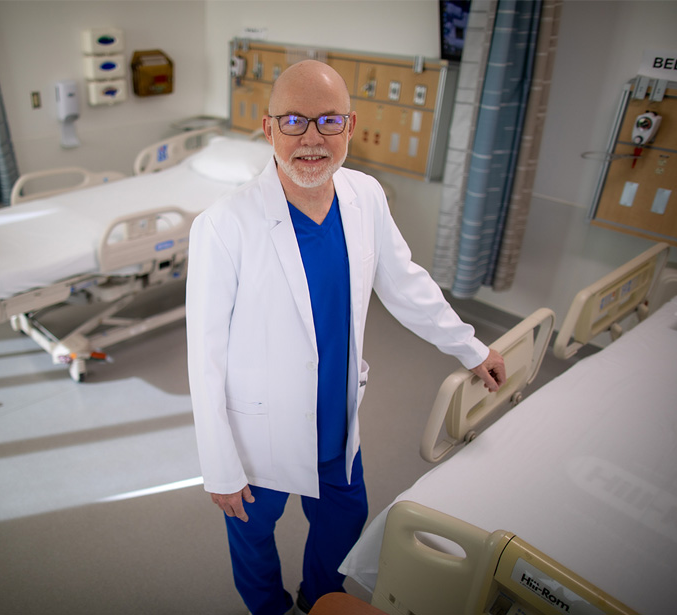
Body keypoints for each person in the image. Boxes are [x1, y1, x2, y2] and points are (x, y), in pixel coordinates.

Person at [185, 60, 505, 615]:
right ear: (268, 130)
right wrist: (219, 463)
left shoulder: (365, 196)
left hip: (337, 414)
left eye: (328, 121)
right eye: (294, 122)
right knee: (253, 534)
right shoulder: (224, 224)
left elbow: (406, 284)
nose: (312, 139)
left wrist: (471, 347)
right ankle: (268, 609)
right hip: (258, 429)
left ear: (350, 127)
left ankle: (320, 601)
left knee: (344, 522)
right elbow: (204, 356)